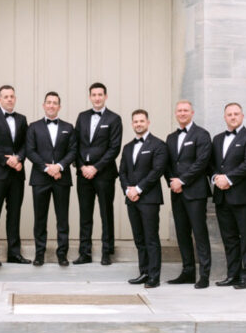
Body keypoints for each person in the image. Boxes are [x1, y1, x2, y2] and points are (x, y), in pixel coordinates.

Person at [210, 101, 246, 289]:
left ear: (242, 116)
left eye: (236, 114)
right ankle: (232, 274)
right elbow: (212, 164)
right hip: (222, 197)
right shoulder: (216, 139)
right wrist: (216, 178)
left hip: (243, 197)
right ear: (225, 117)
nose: (233, 117)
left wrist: (228, 179)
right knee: (229, 238)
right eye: (229, 114)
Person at [25, 91, 77, 266]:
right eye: (48, 102)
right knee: (40, 218)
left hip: (62, 178)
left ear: (59, 107)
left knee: (62, 219)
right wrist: (47, 168)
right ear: (43, 105)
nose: (51, 105)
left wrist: (59, 166)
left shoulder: (68, 128)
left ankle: (62, 254)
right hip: (40, 178)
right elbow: (30, 151)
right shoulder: (33, 127)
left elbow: (72, 151)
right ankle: (39, 254)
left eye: (55, 103)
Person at [164, 100, 212, 288]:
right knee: (182, 234)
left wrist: (182, 181)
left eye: (185, 110)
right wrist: (172, 181)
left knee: (200, 233)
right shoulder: (171, 138)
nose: (182, 113)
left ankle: (205, 275)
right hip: (177, 193)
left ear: (192, 112)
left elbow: (201, 162)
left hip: (195, 192)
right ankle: (188, 272)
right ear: (176, 114)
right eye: (179, 111)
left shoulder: (201, 134)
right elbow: (167, 164)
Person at [73, 82, 122, 266]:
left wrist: (96, 167)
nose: (97, 98)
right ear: (90, 97)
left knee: (105, 213)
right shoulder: (82, 117)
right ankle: (84, 252)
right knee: (85, 214)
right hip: (83, 173)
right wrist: (81, 167)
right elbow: (75, 144)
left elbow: (114, 148)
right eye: (94, 95)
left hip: (104, 174)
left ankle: (106, 251)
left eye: (100, 94)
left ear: (106, 96)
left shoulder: (114, 119)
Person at [0, 85, 30, 267]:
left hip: (17, 173)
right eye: (5, 96)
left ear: (15, 98)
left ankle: (14, 254)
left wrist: (19, 159)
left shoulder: (22, 119)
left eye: (11, 96)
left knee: (14, 214)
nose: (9, 99)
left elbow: (27, 143)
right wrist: (7, 160)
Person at [119, 109, 167, 289]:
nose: (138, 124)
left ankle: (154, 276)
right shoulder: (128, 147)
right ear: (132, 124)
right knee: (139, 239)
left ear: (148, 122)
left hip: (149, 199)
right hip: (131, 198)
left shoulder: (158, 145)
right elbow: (122, 172)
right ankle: (144, 272)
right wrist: (127, 190)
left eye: (141, 121)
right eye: (135, 121)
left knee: (151, 238)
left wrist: (138, 188)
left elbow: (156, 172)